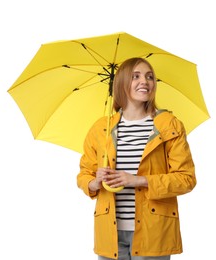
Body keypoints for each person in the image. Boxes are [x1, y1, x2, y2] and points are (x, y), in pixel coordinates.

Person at [77, 57, 196, 260]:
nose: (145, 81)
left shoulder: (169, 125)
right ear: (122, 82)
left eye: (150, 77)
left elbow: (186, 179)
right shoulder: (101, 128)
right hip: (110, 234)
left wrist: (138, 180)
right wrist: (95, 182)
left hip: (153, 232)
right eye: (136, 76)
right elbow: (83, 174)